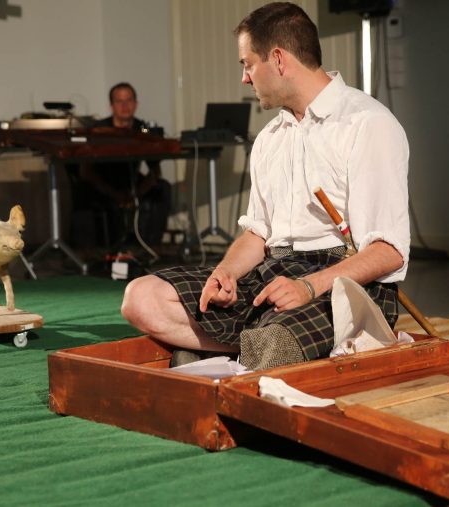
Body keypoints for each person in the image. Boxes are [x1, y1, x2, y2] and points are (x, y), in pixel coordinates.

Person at [121, 2, 409, 370]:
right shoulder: (271, 137)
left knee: (275, 343)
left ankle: (230, 350)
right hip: (273, 271)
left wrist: (308, 286)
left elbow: (389, 251)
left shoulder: (368, 124)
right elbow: (258, 234)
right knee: (141, 297)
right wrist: (226, 273)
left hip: (343, 283)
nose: (245, 77)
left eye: (248, 63)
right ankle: (243, 350)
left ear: (278, 59)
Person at [71, 82, 170, 249]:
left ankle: (150, 248)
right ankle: (90, 252)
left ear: (136, 104)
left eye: (129, 100)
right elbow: (85, 171)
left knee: (163, 188)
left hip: (132, 184)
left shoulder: (142, 129)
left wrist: (136, 195)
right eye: (119, 101)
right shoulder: (98, 129)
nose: (125, 106)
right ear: (112, 106)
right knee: (82, 192)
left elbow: (155, 171)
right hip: (102, 184)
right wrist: (114, 194)